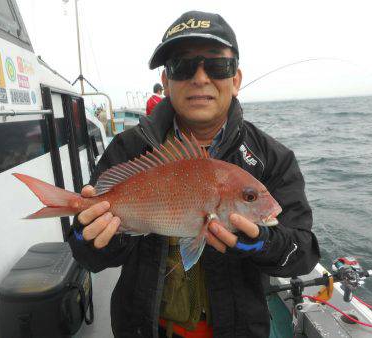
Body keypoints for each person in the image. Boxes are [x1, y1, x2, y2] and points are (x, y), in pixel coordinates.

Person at [68, 10, 320, 338]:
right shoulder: (128, 148)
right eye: (183, 66)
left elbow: (304, 253)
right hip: (143, 329)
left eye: (217, 66)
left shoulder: (272, 158)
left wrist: (262, 243)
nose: (200, 78)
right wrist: (87, 232)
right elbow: (88, 256)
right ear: (166, 81)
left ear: (236, 79)